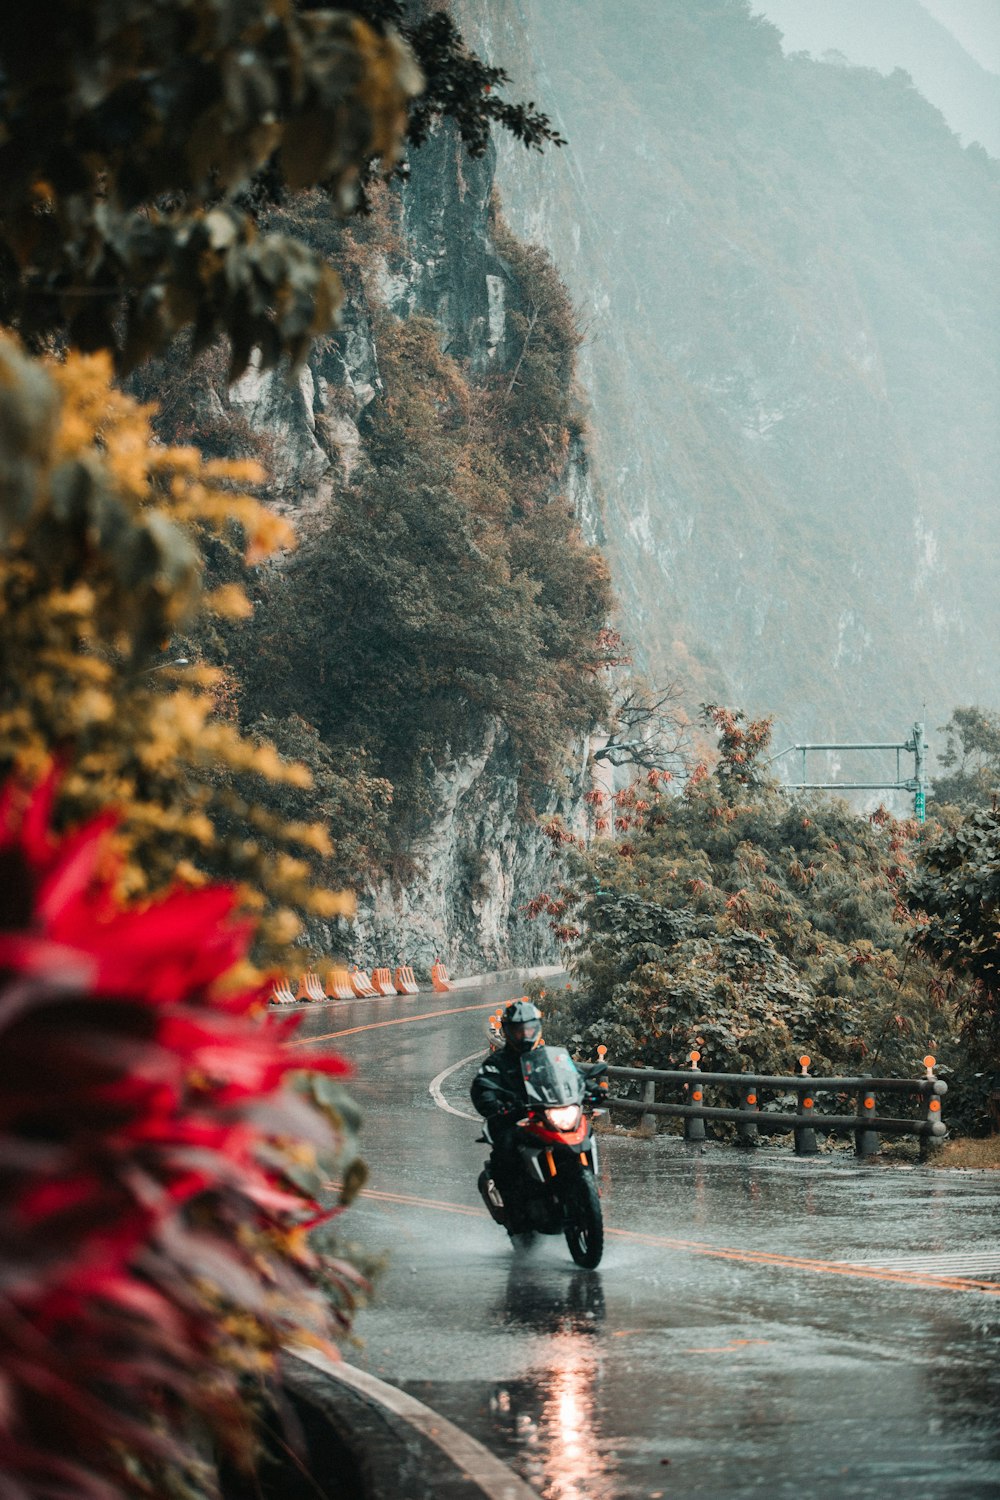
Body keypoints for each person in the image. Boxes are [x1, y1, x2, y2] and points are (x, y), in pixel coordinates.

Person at [470, 998, 543, 1215]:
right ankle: (512, 1207)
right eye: (519, 1031)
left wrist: (588, 1087)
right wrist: (493, 1103)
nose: (525, 1035)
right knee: (508, 1149)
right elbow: (482, 1086)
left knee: (581, 1131)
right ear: (509, 1032)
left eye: (529, 1030)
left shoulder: (542, 1057)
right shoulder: (497, 1063)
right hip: (510, 1119)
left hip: (542, 1115)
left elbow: (568, 1075)